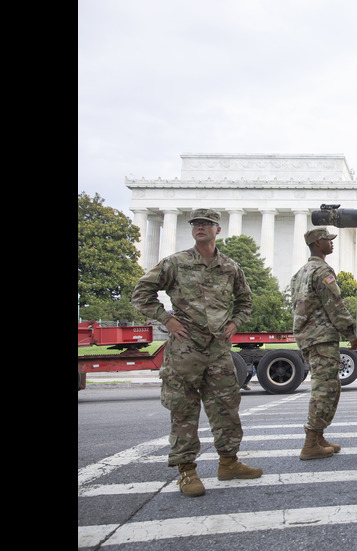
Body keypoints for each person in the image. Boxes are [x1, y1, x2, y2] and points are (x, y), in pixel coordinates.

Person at [131, 208, 262, 497]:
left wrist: (234, 323)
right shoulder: (175, 263)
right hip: (185, 350)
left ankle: (229, 462)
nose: (200, 228)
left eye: (207, 224)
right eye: (196, 224)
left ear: (218, 230)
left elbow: (245, 302)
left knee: (227, 408)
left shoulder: (230, 268)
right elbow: (141, 293)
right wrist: (167, 319)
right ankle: (187, 472)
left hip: (218, 351)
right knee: (184, 411)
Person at [290, 228, 357, 460]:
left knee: (325, 385)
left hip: (308, 337)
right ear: (318, 243)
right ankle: (310, 442)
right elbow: (334, 304)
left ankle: (318, 437)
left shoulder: (300, 272)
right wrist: (351, 331)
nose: (331, 244)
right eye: (328, 240)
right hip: (321, 337)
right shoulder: (322, 270)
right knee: (325, 388)